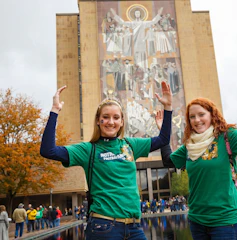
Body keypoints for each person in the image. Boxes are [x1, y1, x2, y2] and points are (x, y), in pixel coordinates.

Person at [40, 81, 172, 239]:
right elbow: (48, 150)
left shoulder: (131, 145)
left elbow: (163, 140)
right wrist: (54, 111)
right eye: (106, 117)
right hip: (103, 227)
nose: (111, 122)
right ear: (98, 120)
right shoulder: (88, 150)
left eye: (116, 117)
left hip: (134, 227)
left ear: (122, 122)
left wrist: (168, 107)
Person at [158, 76, 237, 239]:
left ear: (212, 115)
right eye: (192, 117)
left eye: (201, 114)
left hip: (225, 222)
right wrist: (163, 129)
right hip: (197, 221)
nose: (197, 120)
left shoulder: (227, 136)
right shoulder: (190, 145)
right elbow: (167, 161)